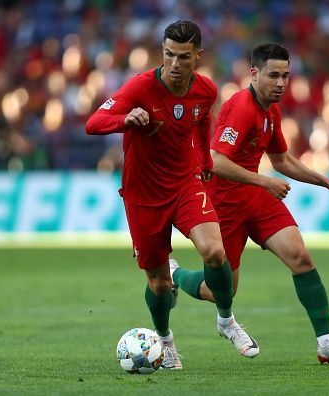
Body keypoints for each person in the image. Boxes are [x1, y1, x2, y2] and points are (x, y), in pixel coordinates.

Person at [170, 43, 329, 364]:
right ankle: (175, 275)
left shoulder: (270, 111)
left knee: (300, 256)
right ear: (254, 74)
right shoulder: (240, 108)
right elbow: (216, 162)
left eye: (286, 76)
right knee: (220, 291)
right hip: (224, 204)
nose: (281, 83)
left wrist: (326, 181)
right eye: (273, 75)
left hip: (258, 199)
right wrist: (264, 180)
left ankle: (326, 341)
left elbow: (282, 160)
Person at [85, 20, 259, 370]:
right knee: (159, 283)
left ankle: (226, 321)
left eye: (183, 57)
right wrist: (124, 119)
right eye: (168, 55)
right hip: (143, 195)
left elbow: (201, 123)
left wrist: (207, 160)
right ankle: (164, 341)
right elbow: (93, 123)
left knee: (214, 250)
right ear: (161, 53)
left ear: (198, 55)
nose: (175, 64)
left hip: (185, 184)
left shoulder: (206, 90)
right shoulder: (140, 88)